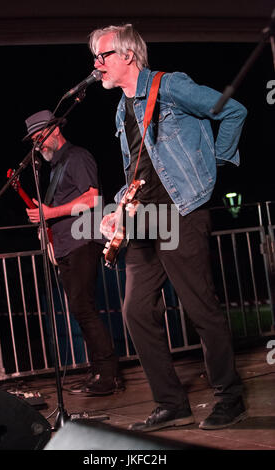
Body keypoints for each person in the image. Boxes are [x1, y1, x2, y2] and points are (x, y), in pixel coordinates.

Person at [89, 24, 248, 431]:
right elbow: (139, 169)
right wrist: (115, 210)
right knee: (136, 310)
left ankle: (230, 397)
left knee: (200, 308)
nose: (96, 64)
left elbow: (233, 110)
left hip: (181, 211)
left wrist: (215, 167)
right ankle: (171, 403)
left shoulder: (170, 85)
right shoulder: (122, 109)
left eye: (102, 55)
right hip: (144, 218)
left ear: (127, 55)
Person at [24, 110, 123, 396]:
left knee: (84, 308)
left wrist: (51, 212)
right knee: (81, 310)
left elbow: (92, 198)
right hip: (67, 245)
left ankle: (109, 375)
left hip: (82, 242)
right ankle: (98, 372)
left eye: (39, 137)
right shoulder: (56, 166)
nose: (36, 144)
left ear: (55, 131)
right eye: (32, 140)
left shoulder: (77, 156)